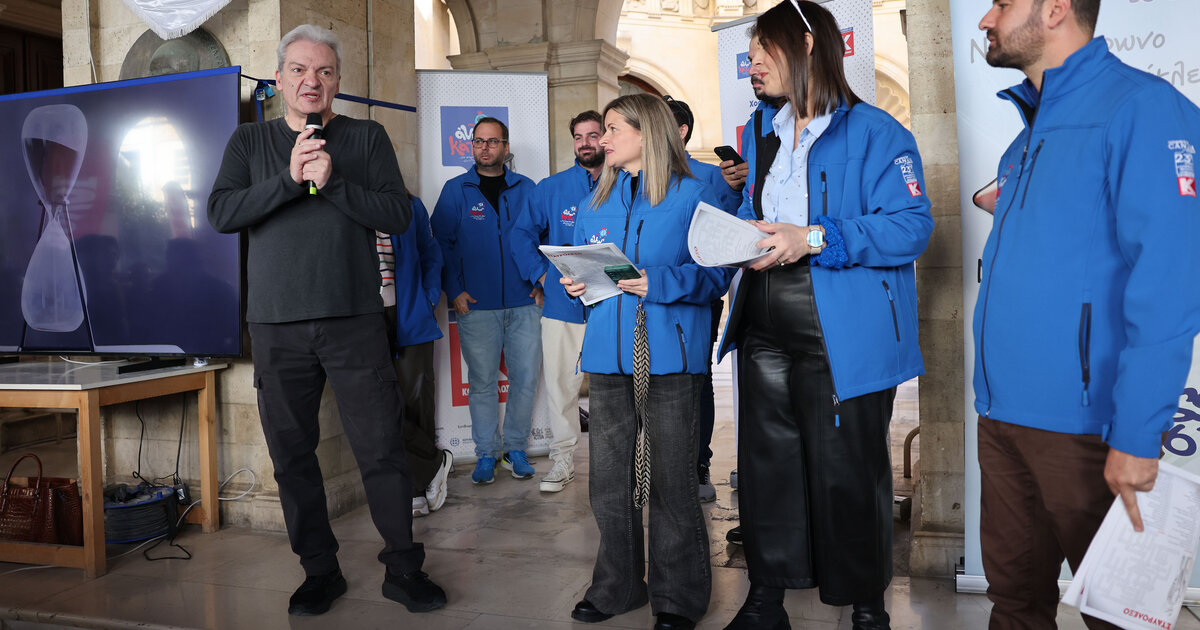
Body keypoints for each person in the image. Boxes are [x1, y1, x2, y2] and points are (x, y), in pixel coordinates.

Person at [973, 1, 1200, 628]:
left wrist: (1137, 435)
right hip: (1002, 417)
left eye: (1002, 3)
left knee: (1119, 617)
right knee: (1014, 605)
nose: (986, 19)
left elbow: (1170, 282)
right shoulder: (1029, 132)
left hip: (1086, 428)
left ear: (1054, 10)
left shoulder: (1143, 110)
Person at [207, 24, 446, 616]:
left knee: (382, 448)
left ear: (337, 81)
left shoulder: (366, 137)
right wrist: (289, 181)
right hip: (276, 325)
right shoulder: (249, 141)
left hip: (354, 320)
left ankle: (403, 568)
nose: (310, 81)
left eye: (324, 71)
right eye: (298, 70)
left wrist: (332, 181)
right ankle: (319, 571)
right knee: (291, 455)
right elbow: (221, 213)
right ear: (279, 78)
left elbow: (397, 214)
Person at [716, 3, 933, 629]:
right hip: (762, 318)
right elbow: (759, 215)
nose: (752, 64)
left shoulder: (877, 132)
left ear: (807, 44)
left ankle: (867, 608)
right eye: (750, 54)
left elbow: (911, 227)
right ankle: (766, 600)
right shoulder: (763, 132)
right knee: (767, 468)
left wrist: (812, 237)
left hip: (841, 328)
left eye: (763, 50)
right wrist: (738, 236)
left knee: (849, 471)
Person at [562, 93, 733, 630]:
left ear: (647, 132)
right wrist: (576, 285)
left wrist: (657, 281)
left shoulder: (695, 193)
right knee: (608, 483)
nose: (602, 138)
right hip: (607, 355)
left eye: (613, 128)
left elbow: (718, 274)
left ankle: (678, 598)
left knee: (670, 482)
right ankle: (617, 588)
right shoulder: (594, 201)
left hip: (671, 358)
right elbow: (582, 272)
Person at [430, 117, 542, 485]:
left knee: (525, 379)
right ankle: (486, 453)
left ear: (506, 148)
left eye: (493, 142)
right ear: (472, 146)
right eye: (479, 141)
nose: (485, 148)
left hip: (524, 303)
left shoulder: (527, 188)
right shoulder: (456, 189)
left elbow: (543, 237)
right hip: (476, 305)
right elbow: (440, 245)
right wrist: (454, 289)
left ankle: (516, 450)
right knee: (481, 383)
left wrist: (540, 281)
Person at [510, 110, 603, 492]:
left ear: (606, 137)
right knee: (562, 387)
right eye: (578, 137)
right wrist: (542, 276)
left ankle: (627, 465)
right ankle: (563, 459)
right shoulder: (551, 188)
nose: (585, 143)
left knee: (621, 389)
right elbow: (520, 234)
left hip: (614, 307)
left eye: (593, 135)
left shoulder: (628, 182)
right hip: (563, 307)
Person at [662, 95, 741, 504]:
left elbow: (726, 234)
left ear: (681, 131)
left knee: (696, 378)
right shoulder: (636, 175)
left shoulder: (712, 178)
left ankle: (697, 463)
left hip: (697, 296)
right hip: (647, 294)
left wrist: (736, 189)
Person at [375, 193, 454, 517]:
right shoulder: (346, 200)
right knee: (375, 405)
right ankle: (433, 463)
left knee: (416, 400)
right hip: (365, 319)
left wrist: (428, 299)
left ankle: (415, 488)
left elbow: (431, 254)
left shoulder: (409, 205)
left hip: (410, 313)